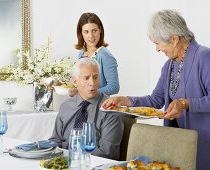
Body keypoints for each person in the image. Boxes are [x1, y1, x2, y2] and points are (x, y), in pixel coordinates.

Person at [102, 9, 210, 170]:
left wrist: (185, 103)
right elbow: (155, 100)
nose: (157, 49)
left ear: (174, 39)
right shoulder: (169, 66)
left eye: (158, 43)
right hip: (179, 144)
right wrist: (125, 100)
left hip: (204, 144)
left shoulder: (204, 57)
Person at [49, 58, 124, 160]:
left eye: (95, 77)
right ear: (75, 82)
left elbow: (107, 153)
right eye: (86, 78)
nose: (92, 83)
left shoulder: (110, 109)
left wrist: (73, 156)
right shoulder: (66, 106)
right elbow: (55, 141)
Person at [70, 12, 120, 96]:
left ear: (100, 30)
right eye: (86, 32)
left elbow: (114, 87)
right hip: (85, 104)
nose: (91, 36)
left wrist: (87, 92)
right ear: (81, 33)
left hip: (99, 105)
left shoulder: (105, 56)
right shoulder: (81, 53)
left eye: (94, 31)